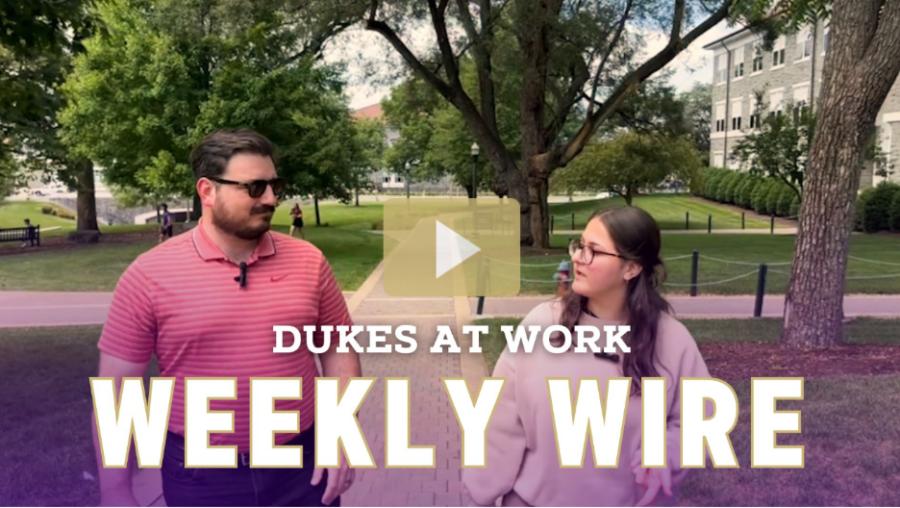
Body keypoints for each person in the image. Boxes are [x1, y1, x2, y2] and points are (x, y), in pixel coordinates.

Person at [93, 130, 361, 508]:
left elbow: (338, 350)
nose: (270, 199)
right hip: (201, 475)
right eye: (254, 188)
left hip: (303, 468)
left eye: (274, 186)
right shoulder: (149, 274)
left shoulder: (309, 261)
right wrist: (115, 491)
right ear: (208, 191)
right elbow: (118, 390)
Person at [463, 206, 713, 508]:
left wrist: (666, 454)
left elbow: (699, 425)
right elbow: (499, 426)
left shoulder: (672, 341)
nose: (578, 257)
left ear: (631, 268)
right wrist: (481, 496)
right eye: (580, 245)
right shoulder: (542, 324)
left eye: (593, 250)